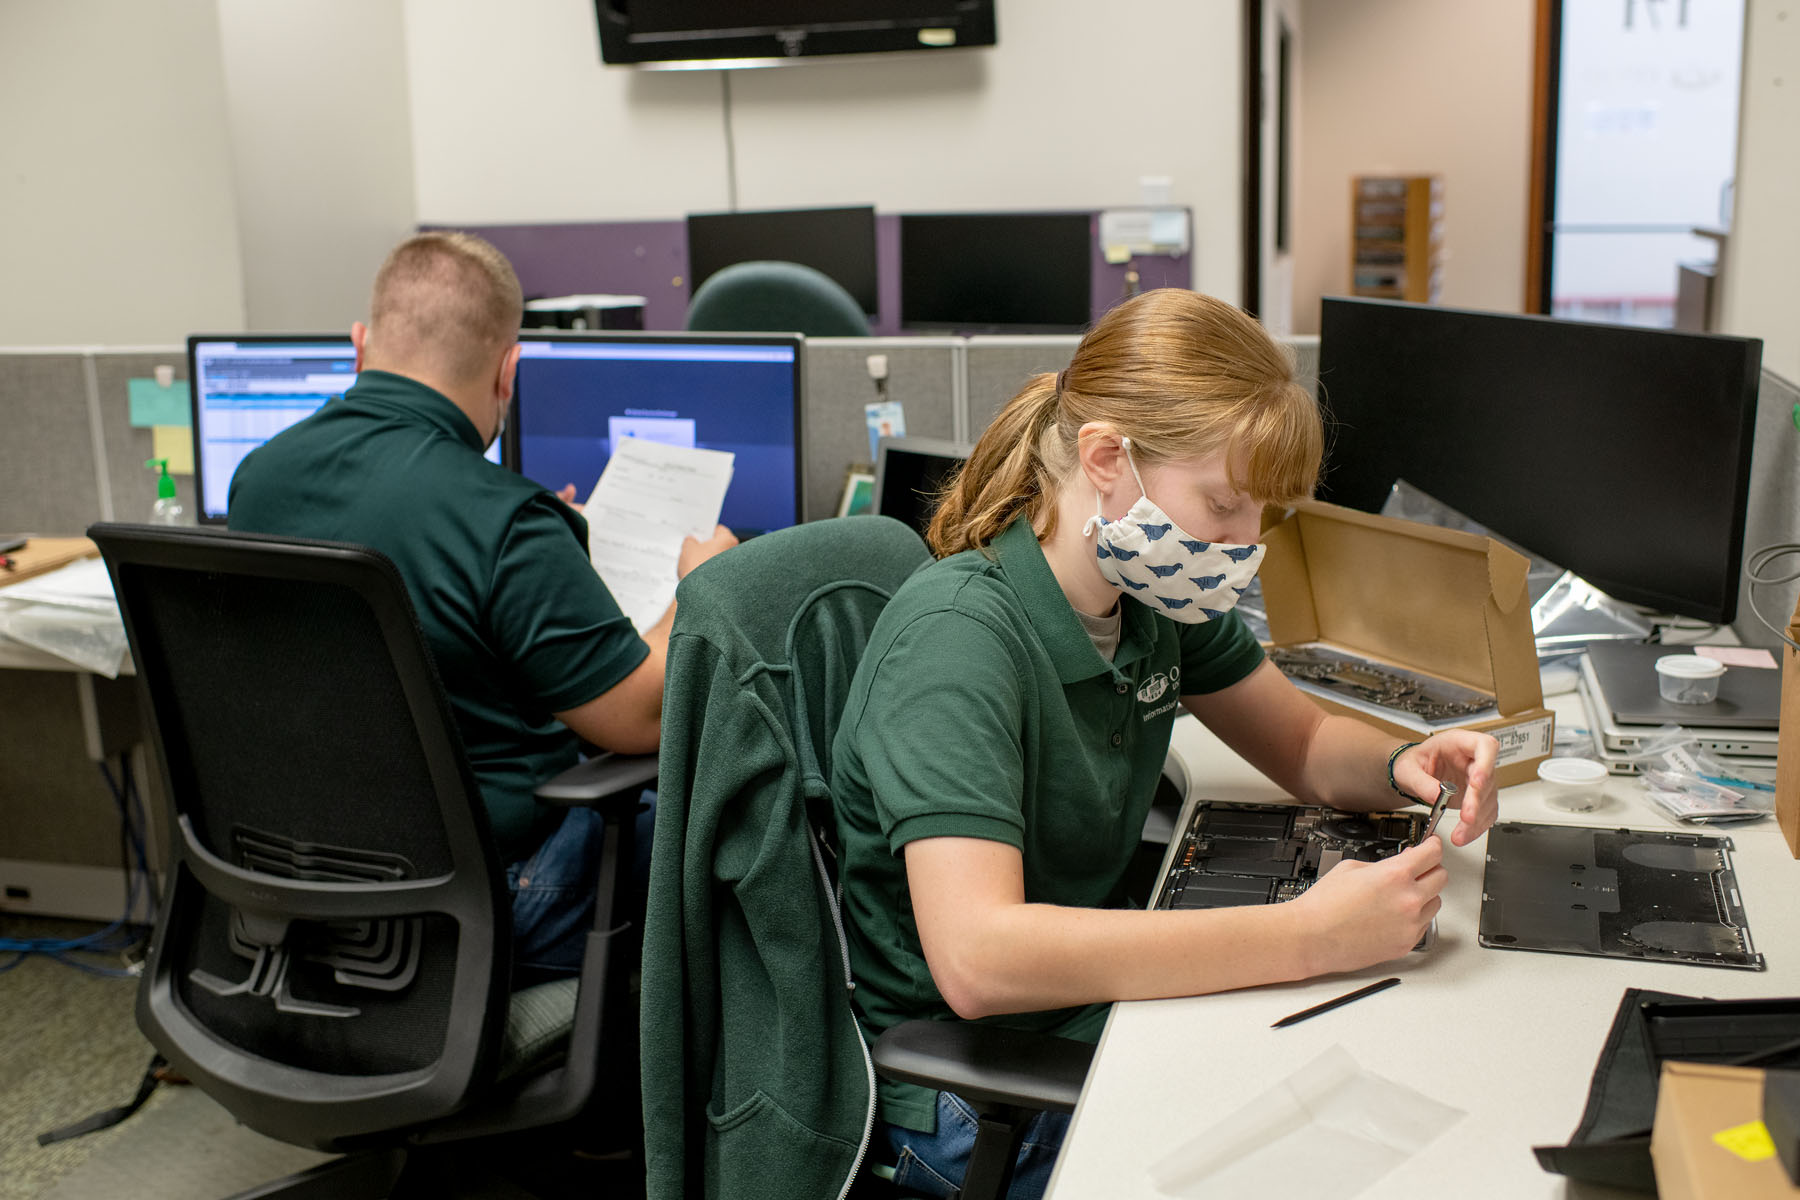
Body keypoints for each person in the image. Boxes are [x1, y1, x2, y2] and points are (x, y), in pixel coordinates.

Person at [830, 288, 1500, 1198]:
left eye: (1260, 514)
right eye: (1224, 504)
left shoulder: (1148, 595)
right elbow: (980, 960)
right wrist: (1305, 937)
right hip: (975, 1086)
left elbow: (1301, 742)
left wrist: (1402, 764)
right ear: (1108, 458)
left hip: (1094, 1005)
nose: (1245, 543)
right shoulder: (957, 640)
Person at [228, 231, 735, 973]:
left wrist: (543, 551)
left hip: (304, 884)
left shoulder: (259, 477)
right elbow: (640, 718)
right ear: (509, 369)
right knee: (730, 818)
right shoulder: (501, 519)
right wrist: (700, 586)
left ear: (359, 345)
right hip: (485, 905)